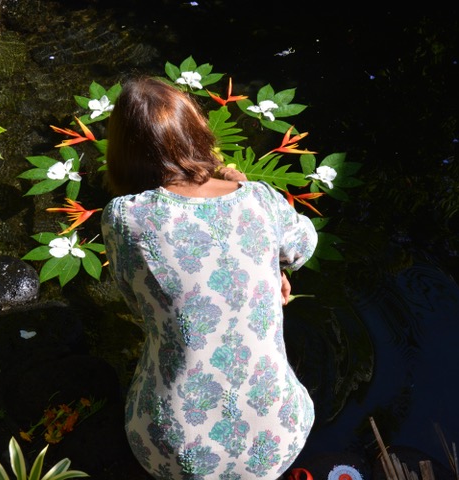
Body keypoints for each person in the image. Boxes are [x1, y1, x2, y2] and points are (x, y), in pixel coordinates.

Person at [101, 76, 318, 480]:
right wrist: (274, 265)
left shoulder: (124, 218)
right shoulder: (260, 199)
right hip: (279, 437)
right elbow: (304, 245)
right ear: (198, 132)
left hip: (174, 453)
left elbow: (135, 302)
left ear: (123, 153)